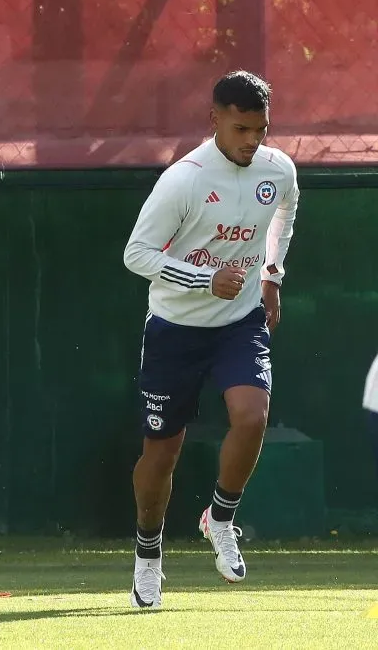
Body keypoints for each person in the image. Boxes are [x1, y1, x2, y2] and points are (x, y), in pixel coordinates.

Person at [122, 70, 299, 608]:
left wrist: (270, 275)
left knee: (252, 416)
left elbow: (285, 213)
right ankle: (148, 555)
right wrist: (203, 278)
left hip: (239, 323)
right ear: (216, 119)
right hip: (175, 330)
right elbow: (137, 255)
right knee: (162, 452)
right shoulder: (185, 179)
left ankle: (220, 518)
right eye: (241, 128)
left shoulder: (277, 168)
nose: (252, 141)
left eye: (260, 130)